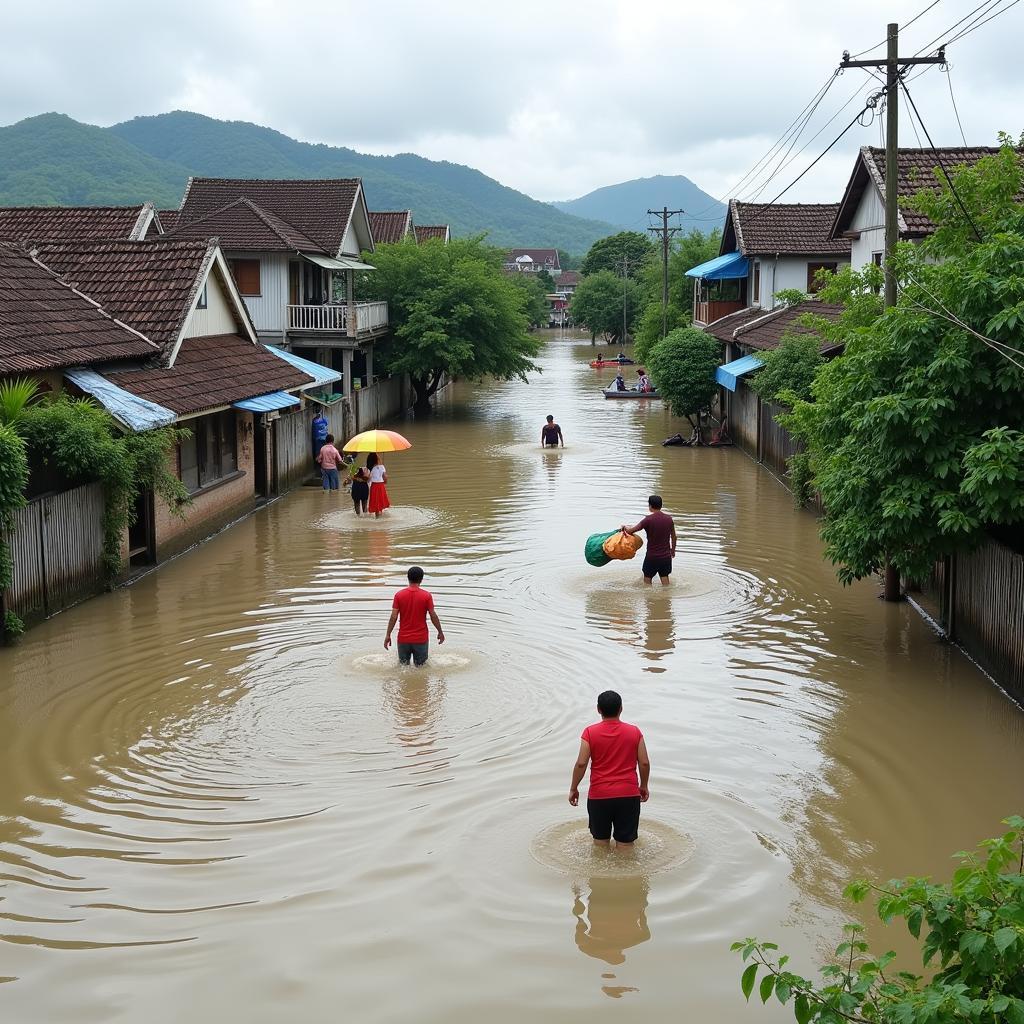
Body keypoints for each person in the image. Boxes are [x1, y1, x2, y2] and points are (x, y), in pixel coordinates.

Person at [568, 690, 650, 846]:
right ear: (621, 709)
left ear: (598, 709)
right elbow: (644, 762)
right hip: (628, 795)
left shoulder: (590, 732)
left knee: (600, 844)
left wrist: (574, 788)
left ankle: (599, 871)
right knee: (626, 845)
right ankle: (628, 870)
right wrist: (644, 785)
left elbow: (581, 763)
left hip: (599, 795)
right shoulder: (634, 732)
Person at [384, 566, 445, 666]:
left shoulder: (399, 595)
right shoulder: (426, 596)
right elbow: (433, 615)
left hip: (403, 639)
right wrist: (440, 632)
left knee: (403, 669)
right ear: (421, 579)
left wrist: (388, 635)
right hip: (420, 639)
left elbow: (393, 617)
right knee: (421, 669)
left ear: (408, 578)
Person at [622, 494, 676, 585]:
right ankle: (666, 599)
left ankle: (649, 599)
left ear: (650, 506)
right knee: (665, 581)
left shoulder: (648, 520)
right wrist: (673, 551)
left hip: (652, 557)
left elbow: (630, 531)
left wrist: (624, 527)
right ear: (661, 505)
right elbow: (674, 537)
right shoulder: (669, 519)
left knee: (647, 581)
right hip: (666, 557)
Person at [366, 452, 391, 518]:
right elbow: (385, 477)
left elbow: (368, 480)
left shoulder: (369, 469)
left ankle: (377, 518)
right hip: (381, 486)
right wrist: (385, 481)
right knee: (380, 501)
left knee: (376, 502)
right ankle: (380, 516)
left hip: (374, 486)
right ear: (376, 459)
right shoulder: (382, 466)